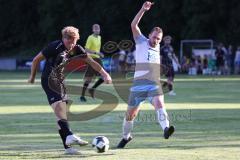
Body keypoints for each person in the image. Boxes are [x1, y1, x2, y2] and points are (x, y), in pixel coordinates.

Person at [28, 26, 112, 154]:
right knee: (60, 109)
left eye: (74, 41)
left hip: (60, 81)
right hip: (49, 79)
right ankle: (70, 135)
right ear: (63, 38)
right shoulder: (54, 46)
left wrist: (104, 73)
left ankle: (68, 148)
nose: (71, 44)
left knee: (61, 115)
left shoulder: (77, 48)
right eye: (68, 41)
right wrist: (32, 77)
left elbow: (91, 61)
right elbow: (36, 60)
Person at [117, 1, 174, 149]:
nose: (156, 40)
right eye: (154, 37)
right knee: (130, 115)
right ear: (149, 35)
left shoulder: (158, 46)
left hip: (153, 84)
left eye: (158, 39)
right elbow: (133, 25)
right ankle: (126, 137)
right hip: (138, 85)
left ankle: (166, 129)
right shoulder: (141, 41)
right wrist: (143, 9)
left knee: (159, 104)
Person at [80, 24, 105, 102]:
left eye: (98, 29)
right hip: (91, 59)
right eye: (96, 29)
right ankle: (82, 96)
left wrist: (99, 53)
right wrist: (96, 53)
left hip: (97, 59)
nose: (97, 30)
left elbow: (97, 49)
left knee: (104, 76)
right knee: (89, 79)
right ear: (93, 30)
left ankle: (92, 89)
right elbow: (86, 49)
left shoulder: (99, 38)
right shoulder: (90, 38)